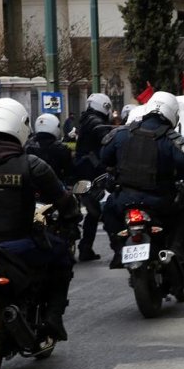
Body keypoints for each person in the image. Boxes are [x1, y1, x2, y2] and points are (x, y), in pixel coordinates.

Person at [0, 98, 80, 340]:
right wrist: (71, 220)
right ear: (21, 125)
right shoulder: (33, 165)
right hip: (18, 243)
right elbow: (63, 201)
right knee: (62, 255)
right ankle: (53, 317)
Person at [100, 91, 184, 282]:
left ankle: (118, 249)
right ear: (172, 113)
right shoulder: (171, 140)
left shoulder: (121, 134)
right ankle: (177, 250)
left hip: (124, 200)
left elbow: (104, 157)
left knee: (107, 209)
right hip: (159, 202)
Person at [74, 93, 113, 261]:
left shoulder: (84, 121)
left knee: (93, 212)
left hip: (82, 174)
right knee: (105, 210)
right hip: (94, 174)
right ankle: (118, 250)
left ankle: (85, 247)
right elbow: (107, 140)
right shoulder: (96, 123)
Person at [25, 113, 74, 183]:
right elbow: (69, 173)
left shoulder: (28, 147)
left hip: (32, 187)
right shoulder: (62, 149)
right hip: (55, 187)